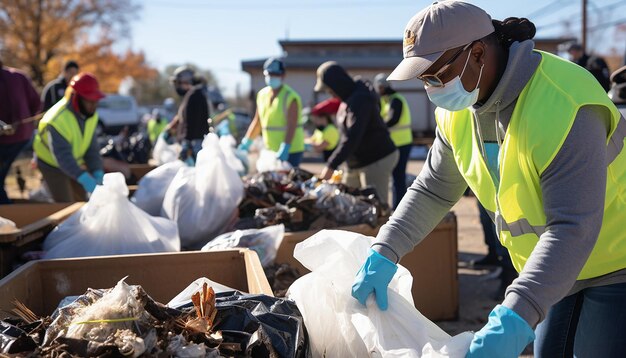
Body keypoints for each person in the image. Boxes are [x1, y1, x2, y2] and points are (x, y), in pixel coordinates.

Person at [350, 2, 626, 357]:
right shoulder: (458, 113)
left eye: (435, 75)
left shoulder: (565, 102)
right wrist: (385, 250)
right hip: (552, 269)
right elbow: (433, 189)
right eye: (423, 80)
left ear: (477, 53)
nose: (431, 89)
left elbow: (572, 226)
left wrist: (515, 314)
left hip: (614, 260)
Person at [314, 61, 398, 205]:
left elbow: (353, 136)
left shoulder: (361, 99)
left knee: (376, 206)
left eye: (329, 89)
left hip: (376, 158)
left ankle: (383, 226)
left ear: (337, 84)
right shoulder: (347, 100)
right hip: (356, 164)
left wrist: (331, 165)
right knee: (348, 203)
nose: (330, 93)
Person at [33, 73, 105, 202]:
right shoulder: (57, 120)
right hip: (51, 164)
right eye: (89, 100)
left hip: (73, 162)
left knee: (82, 201)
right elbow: (63, 157)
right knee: (66, 204)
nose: (93, 105)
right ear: (76, 97)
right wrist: (84, 178)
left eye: (96, 100)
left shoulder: (90, 115)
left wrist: (97, 171)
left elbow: (92, 148)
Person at [238, 58, 305, 167]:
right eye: (269, 74)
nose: (271, 77)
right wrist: (247, 141)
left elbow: (292, 125)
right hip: (270, 149)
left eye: (275, 74)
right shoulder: (262, 95)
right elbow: (257, 121)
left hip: (291, 150)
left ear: (283, 76)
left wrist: (285, 147)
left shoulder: (290, 97)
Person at [0, 60, 41, 204]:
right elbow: (36, 103)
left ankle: (8, 217)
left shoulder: (18, 77)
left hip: (12, 140)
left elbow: (36, 104)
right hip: (23, 136)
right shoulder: (19, 76)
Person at [374, 73, 414, 208]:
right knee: (396, 177)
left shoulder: (396, 100)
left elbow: (393, 120)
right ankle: (397, 207)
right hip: (396, 144)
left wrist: (378, 128)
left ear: (381, 87)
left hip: (402, 144)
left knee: (398, 177)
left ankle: (398, 208)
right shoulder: (388, 100)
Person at [167, 66, 211, 164]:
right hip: (194, 143)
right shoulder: (194, 94)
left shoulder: (195, 95)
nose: (177, 87)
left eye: (178, 83)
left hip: (195, 144)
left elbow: (192, 123)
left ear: (186, 81)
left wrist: (187, 143)